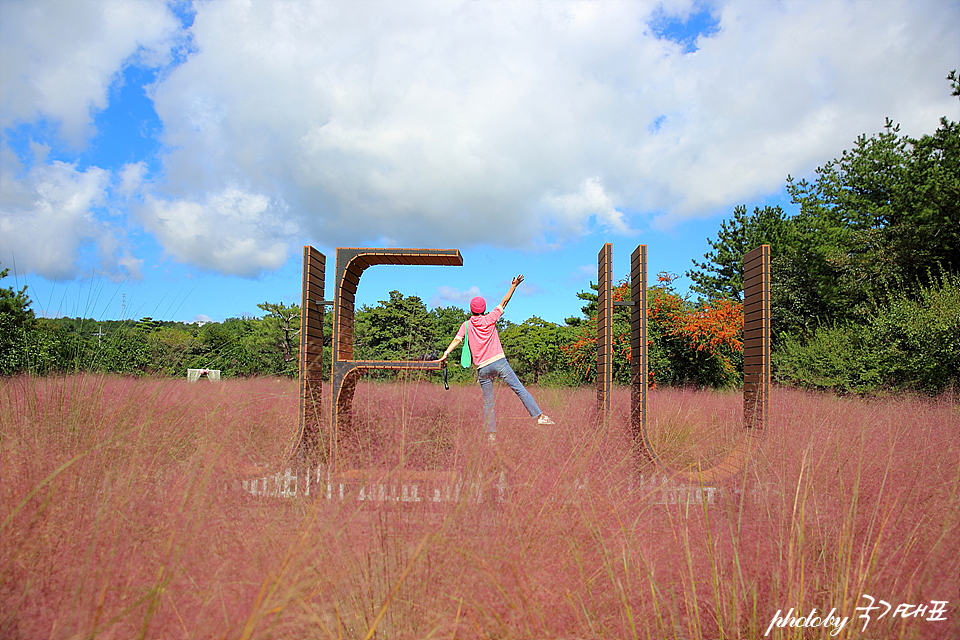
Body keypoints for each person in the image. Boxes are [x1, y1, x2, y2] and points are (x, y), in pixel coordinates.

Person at [438, 275, 554, 442]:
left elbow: (457, 340)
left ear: (471, 310)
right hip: (499, 362)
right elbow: (504, 302)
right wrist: (513, 286)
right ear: (483, 309)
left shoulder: (466, 325)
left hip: (482, 368)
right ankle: (540, 416)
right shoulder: (490, 318)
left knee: (488, 402)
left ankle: (491, 435)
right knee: (519, 389)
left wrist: (446, 353)